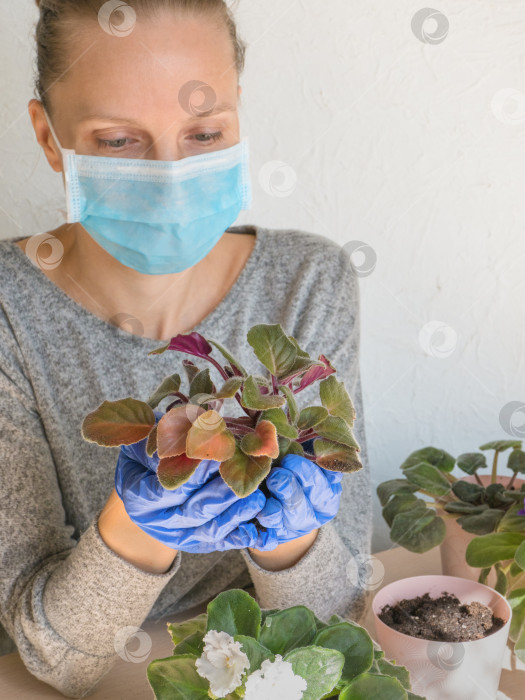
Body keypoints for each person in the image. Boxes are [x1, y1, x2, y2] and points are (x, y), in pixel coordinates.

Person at [0, 0, 373, 697]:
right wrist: (138, 523)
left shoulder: (306, 280)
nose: (172, 174)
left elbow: (342, 618)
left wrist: (287, 536)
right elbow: (55, 662)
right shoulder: (7, 313)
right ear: (50, 140)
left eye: (203, 131)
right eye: (118, 140)